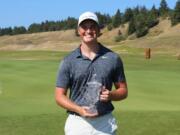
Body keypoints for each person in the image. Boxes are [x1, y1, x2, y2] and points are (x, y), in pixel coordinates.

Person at [55, 11, 128, 135]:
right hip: (77, 123)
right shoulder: (68, 60)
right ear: (79, 31)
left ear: (99, 30)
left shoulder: (113, 58)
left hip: (105, 123)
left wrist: (111, 95)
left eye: (92, 26)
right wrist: (79, 109)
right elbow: (59, 96)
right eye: (84, 27)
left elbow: (123, 91)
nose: (88, 31)